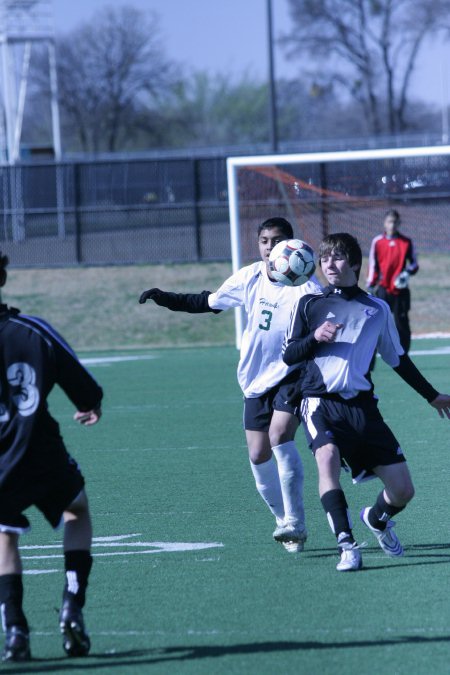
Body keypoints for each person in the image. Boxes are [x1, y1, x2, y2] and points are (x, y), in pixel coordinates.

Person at [139, 217, 322, 553]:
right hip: (254, 380)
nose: (269, 247)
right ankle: (284, 522)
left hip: (291, 376)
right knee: (257, 453)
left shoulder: (307, 288)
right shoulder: (251, 276)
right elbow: (208, 303)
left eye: (277, 240)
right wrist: (165, 298)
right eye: (264, 240)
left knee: (279, 434)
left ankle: (297, 519)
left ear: (290, 246)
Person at [282, 232, 450, 572]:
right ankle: (347, 544)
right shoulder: (309, 305)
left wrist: (433, 396)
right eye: (325, 257)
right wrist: (315, 337)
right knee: (326, 459)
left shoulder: (377, 309)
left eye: (338, 257)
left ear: (355, 264)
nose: (329, 263)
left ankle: (376, 519)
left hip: (361, 407)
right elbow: (289, 355)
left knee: (403, 490)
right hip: (319, 402)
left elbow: (398, 359)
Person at [0, 252, 103, 661]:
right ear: (3, 274)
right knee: (77, 511)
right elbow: (82, 383)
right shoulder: (33, 330)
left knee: (3, 534)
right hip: (41, 450)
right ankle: (72, 604)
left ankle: (14, 630)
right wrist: (89, 404)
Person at [366, 209, 419, 353]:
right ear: (385, 223)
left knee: (402, 324)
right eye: (390, 221)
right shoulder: (377, 242)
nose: (392, 225)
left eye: (395, 222)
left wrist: (406, 272)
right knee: (376, 323)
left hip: (400, 289)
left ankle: (404, 355)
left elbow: (414, 263)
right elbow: (373, 265)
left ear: (399, 223)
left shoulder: (406, 242)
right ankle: (370, 358)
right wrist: (370, 284)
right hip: (383, 288)